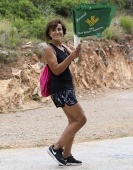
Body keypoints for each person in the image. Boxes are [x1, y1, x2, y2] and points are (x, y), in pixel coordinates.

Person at [44, 19, 87, 166]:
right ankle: (56, 148)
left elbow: (78, 60)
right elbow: (56, 70)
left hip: (67, 88)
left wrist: (77, 52)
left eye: (60, 29)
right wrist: (71, 56)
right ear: (49, 33)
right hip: (60, 89)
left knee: (72, 121)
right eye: (54, 30)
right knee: (81, 119)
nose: (58, 32)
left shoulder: (63, 47)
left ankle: (67, 154)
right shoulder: (49, 49)